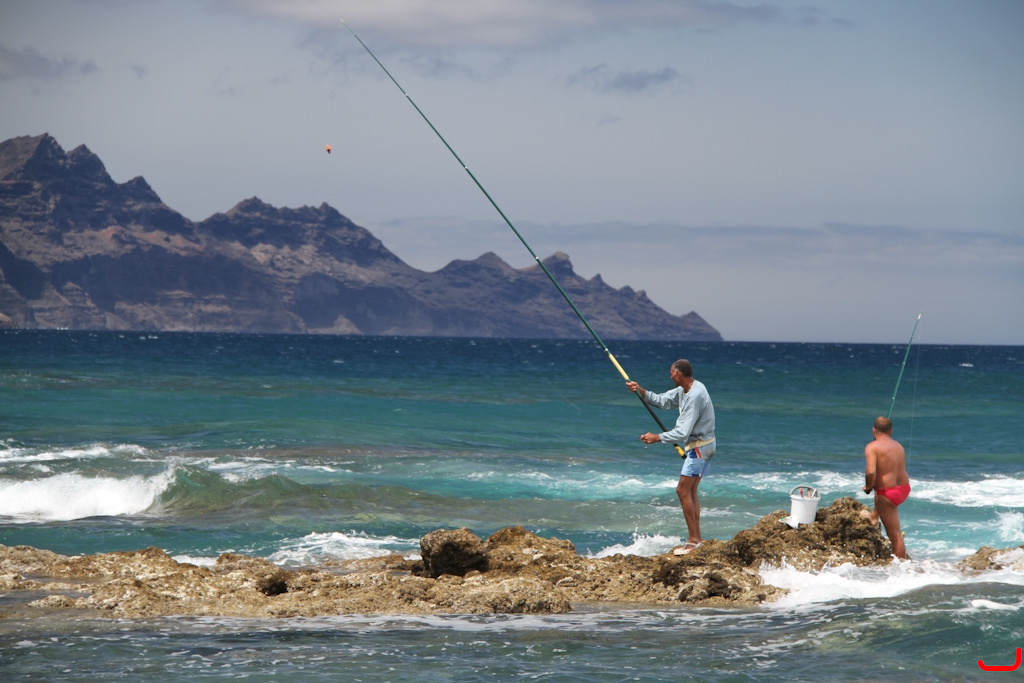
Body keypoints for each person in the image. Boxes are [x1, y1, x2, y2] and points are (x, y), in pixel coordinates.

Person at [626, 359, 716, 556]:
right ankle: (697, 539)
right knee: (690, 491)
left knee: (682, 490)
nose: (670, 376)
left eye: (671, 373)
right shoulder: (685, 390)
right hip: (704, 445)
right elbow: (662, 401)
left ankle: (693, 541)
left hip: (699, 448)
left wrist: (656, 437)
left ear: (678, 374)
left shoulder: (695, 395)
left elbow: (682, 432)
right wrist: (639, 390)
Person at [861, 416, 911, 559]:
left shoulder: (872, 447)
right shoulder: (898, 446)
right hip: (904, 488)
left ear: (873, 430)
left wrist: (868, 486)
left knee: (895, 536)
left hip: (888, 493)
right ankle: (874, 516)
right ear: (890, 431)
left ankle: (901, 567)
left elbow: (871, 472)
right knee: (880, 490)